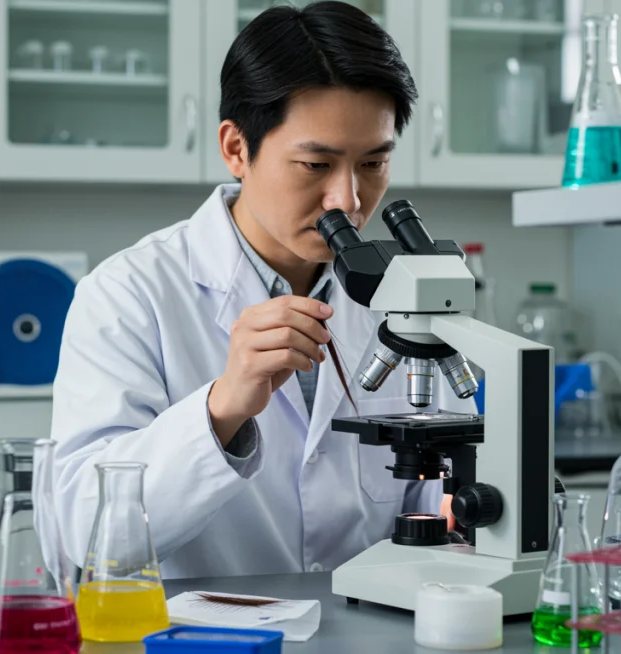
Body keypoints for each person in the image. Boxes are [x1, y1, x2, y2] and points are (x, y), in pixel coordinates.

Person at [49, 1, 475, 579]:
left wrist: (472, 510)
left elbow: (436, 496)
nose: (347, 200)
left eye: (373, 162)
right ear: (235, 149)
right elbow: (89, 534)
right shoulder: (130, 295)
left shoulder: (405, 293)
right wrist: (223, 405)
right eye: (315, 164)